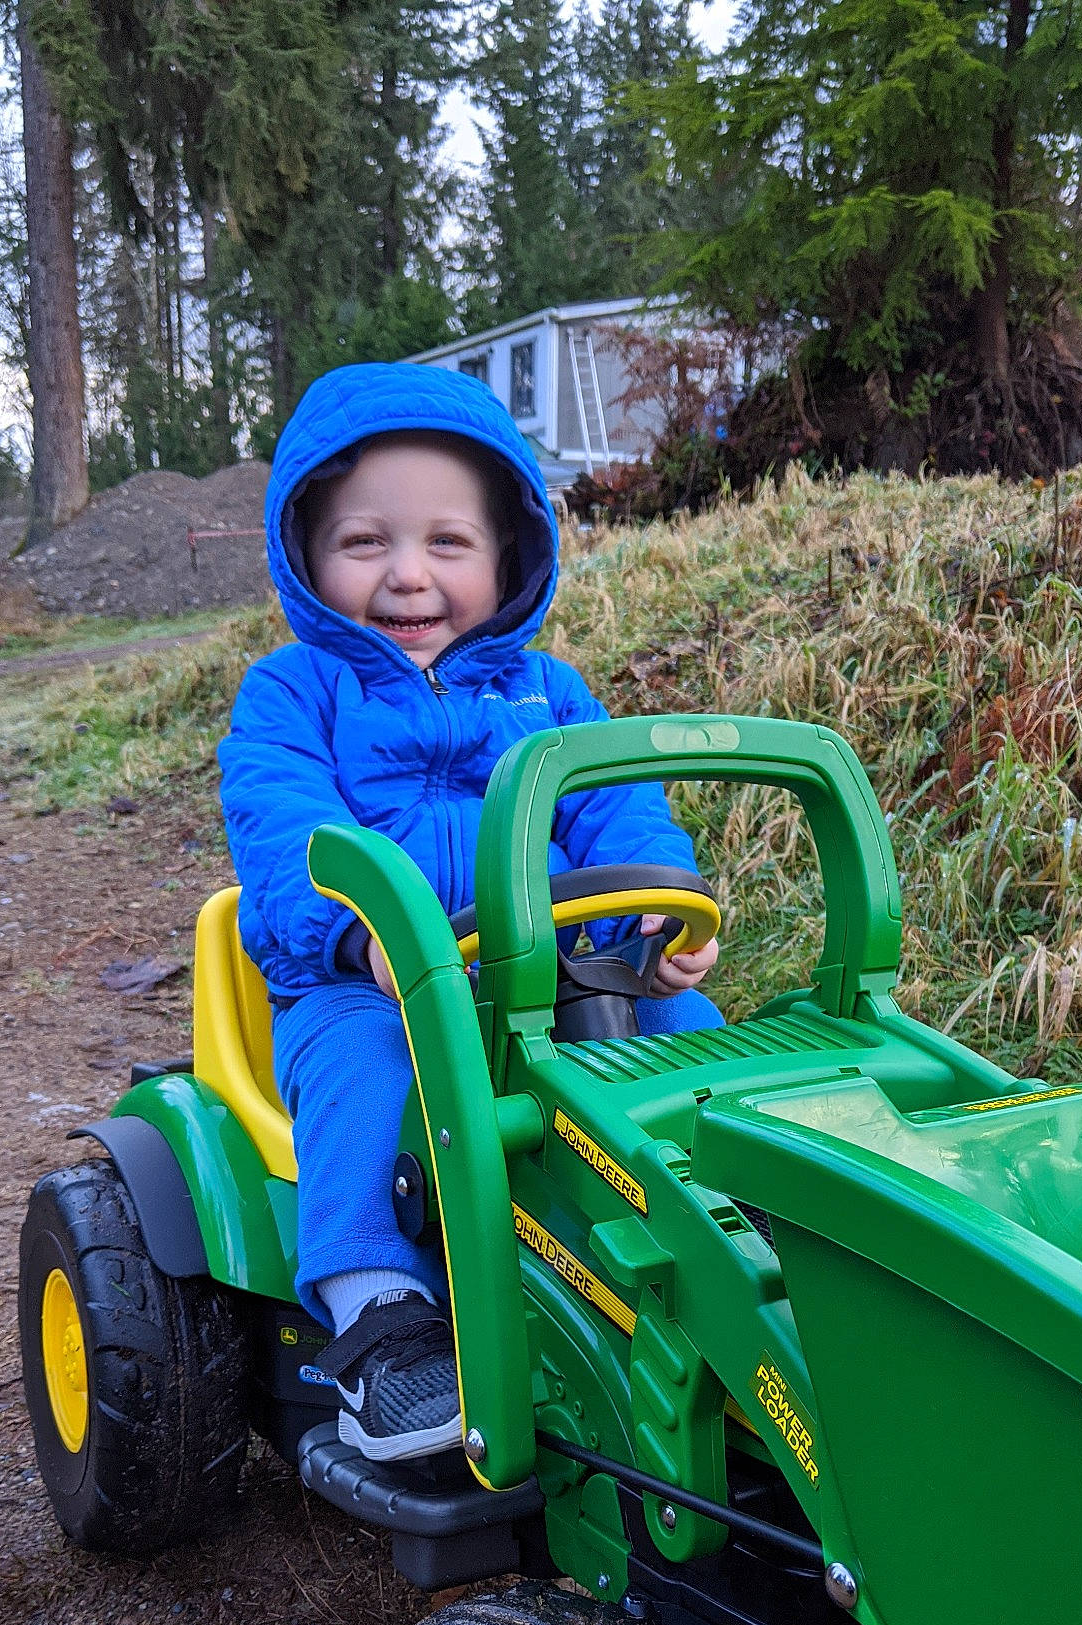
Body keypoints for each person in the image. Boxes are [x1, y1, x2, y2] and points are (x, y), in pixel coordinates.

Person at [219, 362, 720, 1462]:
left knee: (690, 1038)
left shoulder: (550, 693)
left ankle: (745, 1213)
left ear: (510, 555)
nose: (407, 576)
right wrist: (364, 936)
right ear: (306, 553)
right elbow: (281, 829)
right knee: (362, 1074)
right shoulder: (293, 694)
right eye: (365, 543)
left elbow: (620, 809)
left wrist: (663, 917)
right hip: (368, 985)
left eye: (447, 543)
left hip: (550, 980)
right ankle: (378, 1309)